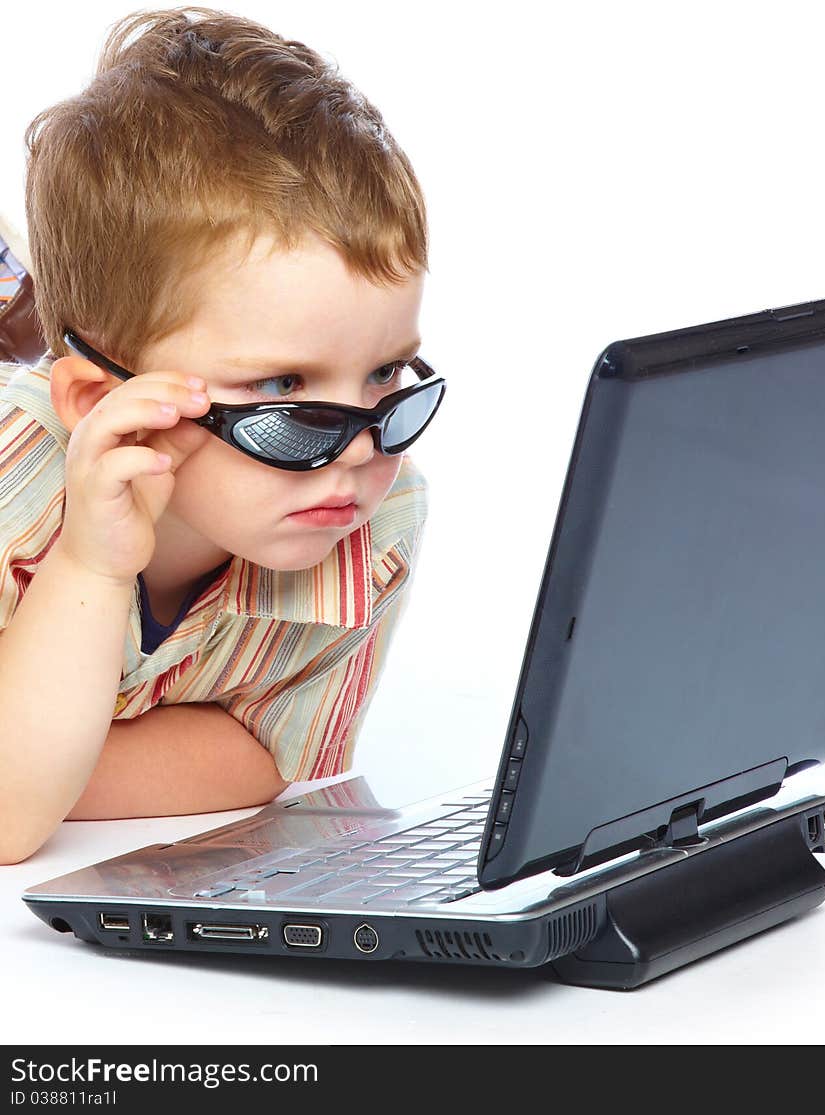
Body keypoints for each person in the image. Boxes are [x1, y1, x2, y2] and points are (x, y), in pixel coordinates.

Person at [0, 6, 441, 864]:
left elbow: (274, 763)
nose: (359, 450)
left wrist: (44, 764)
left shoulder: (376, 526)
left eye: (386, 377)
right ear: (99, 402)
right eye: (283, 388)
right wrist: (91, 562)